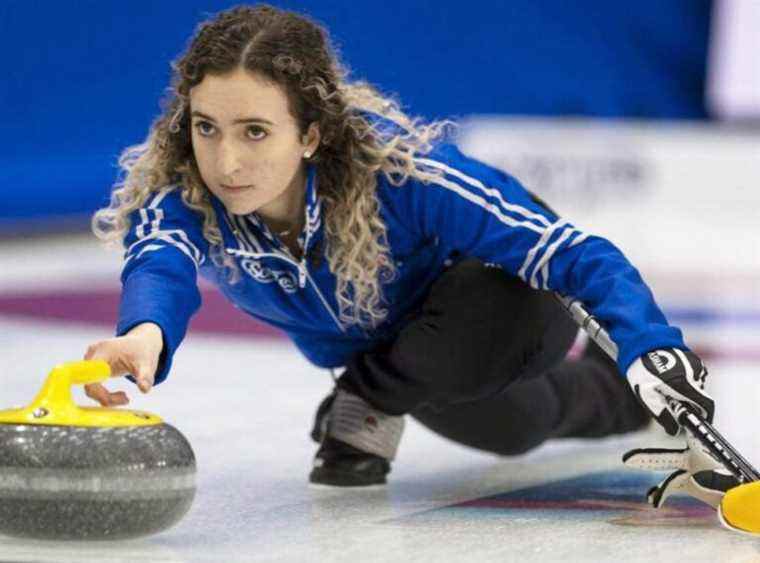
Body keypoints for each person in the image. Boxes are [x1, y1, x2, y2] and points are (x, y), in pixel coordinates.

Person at [85, 4, 717, 499]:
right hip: (398, 352)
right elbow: (159, 262)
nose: (226, 161)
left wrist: (649, 343)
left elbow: (569, 251)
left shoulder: (402, 174)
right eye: (206, 128)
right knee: (516, 427)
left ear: (311, 134)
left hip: (500, 299)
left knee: (498, 318)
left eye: (255, 131)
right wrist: (145, 336)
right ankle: (617, 396)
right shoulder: (184, 193)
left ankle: (368, 397)